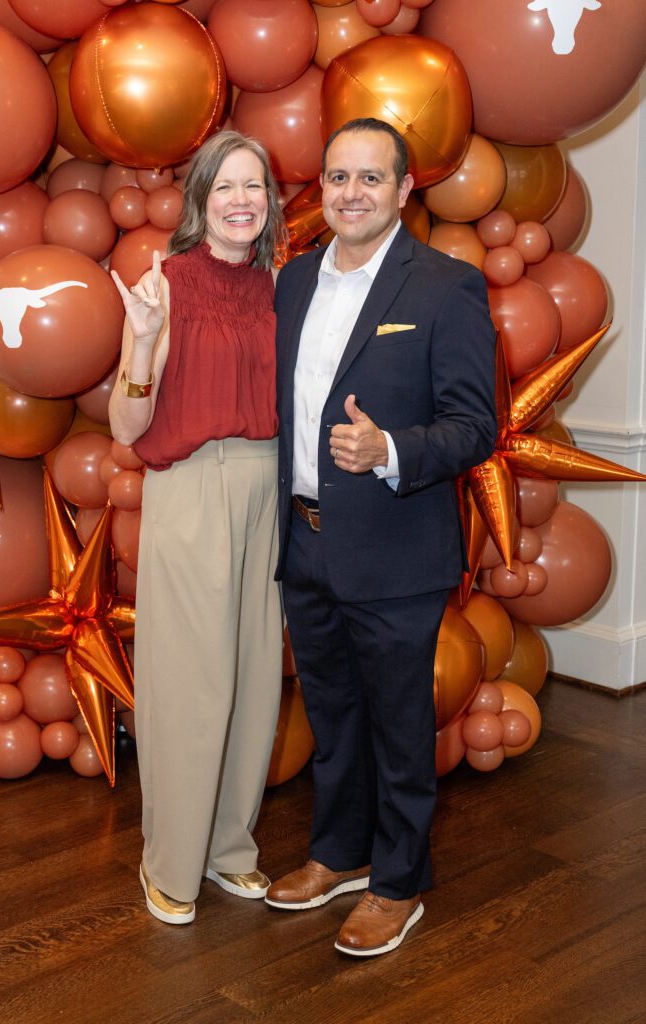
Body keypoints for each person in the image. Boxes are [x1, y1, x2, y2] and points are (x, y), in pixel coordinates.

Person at [265, 118, 497, 956]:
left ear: (404, 191)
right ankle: (339, 853)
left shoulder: (442, 287)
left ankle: (398, 882)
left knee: (399, 724)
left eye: (370, 178)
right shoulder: (290, 282)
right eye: (337, 178)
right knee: (332, 715)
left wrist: (390, 449)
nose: (350, 193)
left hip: (396, 547)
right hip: (305, 540)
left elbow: (475, 426)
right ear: (319, 189)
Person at [108, 130, 286, 925]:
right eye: (226, 188)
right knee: (189, 684)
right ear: (201, 201)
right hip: (188, 485)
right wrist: (143, 341)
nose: (242, 200)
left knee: (250, 677)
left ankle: (227, 851)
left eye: (255, 187)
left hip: (267, 483)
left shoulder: (282, 286)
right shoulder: (164, 286)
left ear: (270, 203)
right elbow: (123, 423)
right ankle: (169, 862)